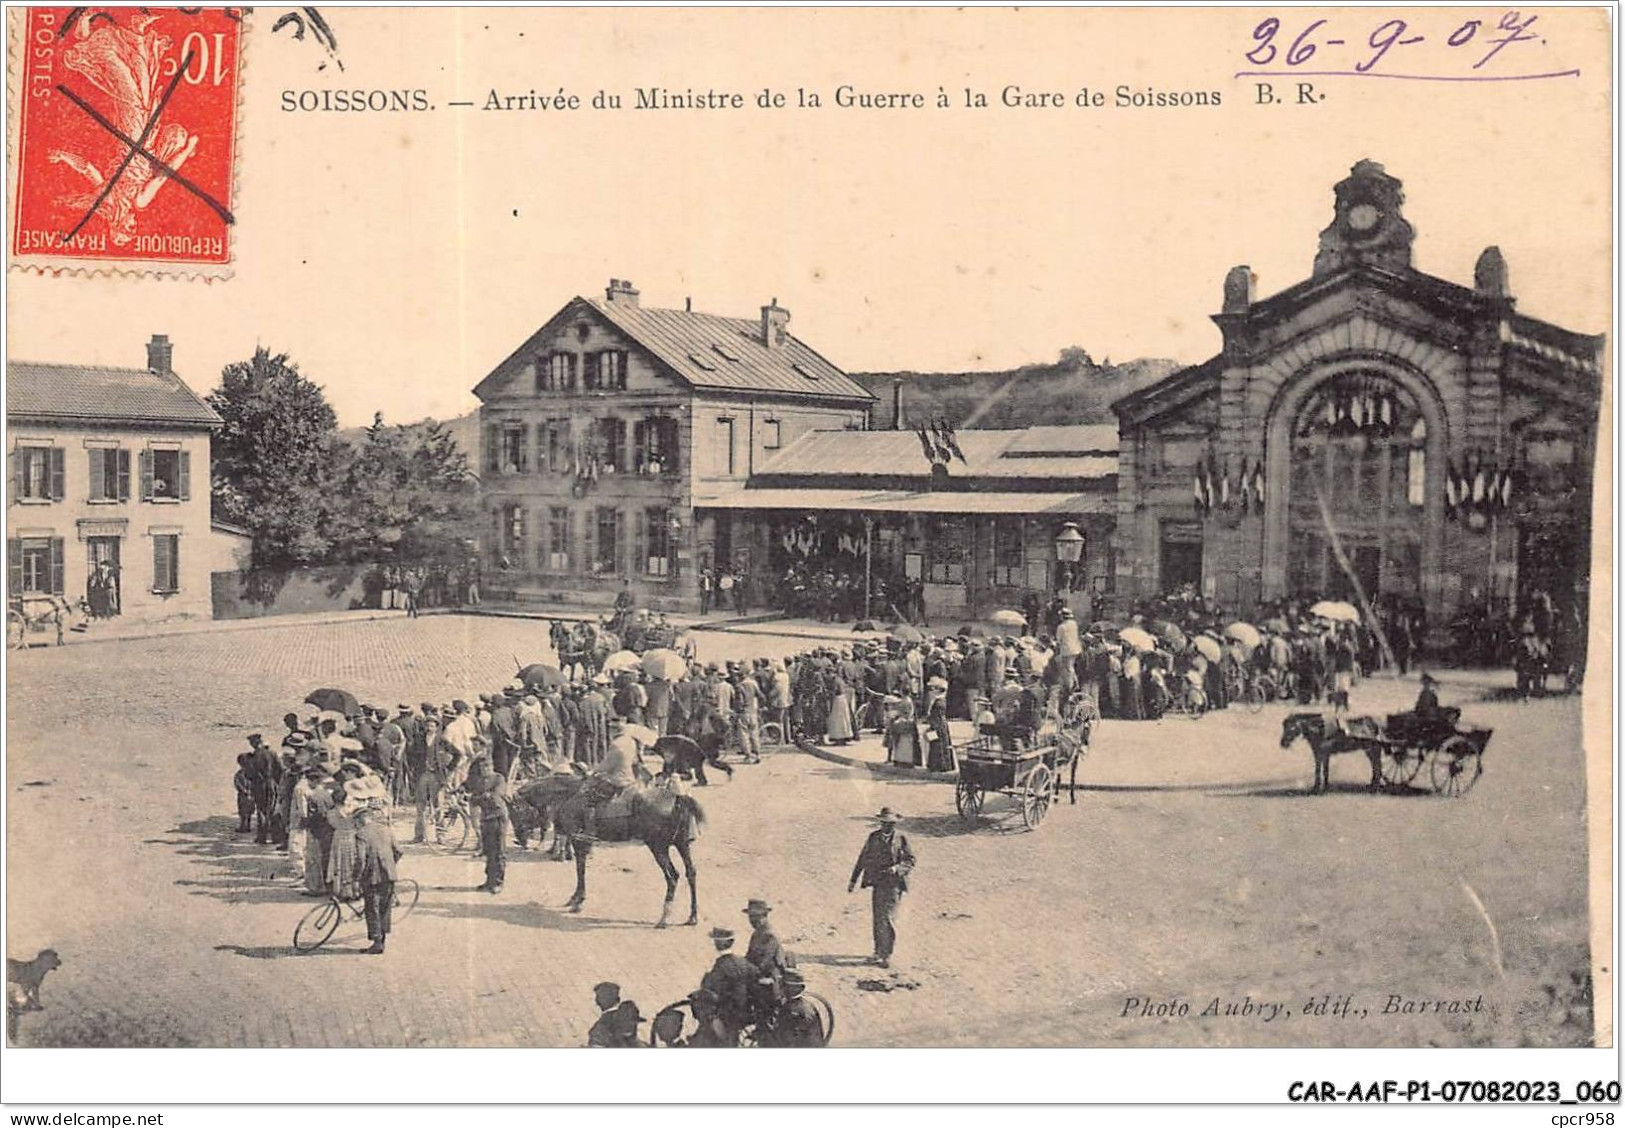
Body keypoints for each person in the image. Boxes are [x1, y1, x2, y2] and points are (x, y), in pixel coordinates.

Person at [847, 807, 915, 969]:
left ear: (894, 824)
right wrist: (853, 880)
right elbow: (863, 858)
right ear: (880, 823)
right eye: (884, 823)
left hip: (894, 884)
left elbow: (910, 860)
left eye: (890, 824)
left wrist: (897, 868)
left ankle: (887, 954)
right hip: (877, 883)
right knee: (878, 918)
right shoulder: (873, 837)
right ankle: (877, 952)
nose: (887, 826)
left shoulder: (901, 839)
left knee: (888, 918)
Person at [352, 776, 400, 955]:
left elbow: (360, 860)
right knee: (385, 907)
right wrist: (390, 864)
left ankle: (377, 943)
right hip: (389, 874)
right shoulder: (385, 829)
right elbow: (399, 851)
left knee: (372, 908)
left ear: (361, 820)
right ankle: (383, 940)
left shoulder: (361, 834)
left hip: (371, 877)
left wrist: (356, 878)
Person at [699, 926, 755, 1045]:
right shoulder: (742, 961)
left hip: (728, 1011)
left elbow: (711, 986)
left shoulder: (721, 965)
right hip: (746, 1008)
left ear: (717, 944)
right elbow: (755, 974)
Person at [743, 898, 791, 1023]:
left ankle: (764, 1025)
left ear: (765, 916)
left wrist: (749, 972)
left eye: (756, 917)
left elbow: (764, 963)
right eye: (750, 917)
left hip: (773, 976)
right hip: (759, 971)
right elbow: (749, 956)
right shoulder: (756, 934)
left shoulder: (770, 935)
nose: (752, 921)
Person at [469, 757, 510, 894]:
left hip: (498, 818)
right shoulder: (480, 781)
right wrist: (479, 798)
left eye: (487, 767)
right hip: (486, 818)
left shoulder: (499, 779)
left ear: (492, 767)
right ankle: (489, 880)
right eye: (482, 768)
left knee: (499, 851)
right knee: (488, 850)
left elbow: (495, 798)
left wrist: (480, 798)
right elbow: (474, 799)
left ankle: (498, 882)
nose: (484, 770)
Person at [760, 969, 825, 1048]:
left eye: (784, 985)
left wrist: (769, 1031)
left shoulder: (792, 1012)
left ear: (799, 988)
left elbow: (787, 1043)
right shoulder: (807, 1005)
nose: (781, 988)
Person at [232, 754, 256, 833]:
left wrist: (243, 790)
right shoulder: (252, 773)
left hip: (243, 795)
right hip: (251, 794)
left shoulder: (240, 773)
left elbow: (237, 783)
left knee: (243, 811)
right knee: (248, 811)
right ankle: (247, 826)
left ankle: (243, 826)